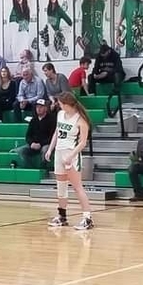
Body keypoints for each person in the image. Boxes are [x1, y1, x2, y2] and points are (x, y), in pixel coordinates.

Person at [45, 92, 95, 230]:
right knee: (61, 188)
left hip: (71, 155)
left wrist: (71, 155)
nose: (58, 106)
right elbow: (57, 132)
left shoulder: (81, 120)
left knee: (77, 187)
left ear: (67, 104)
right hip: (59, 153)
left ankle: (87, 218)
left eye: (60, 104)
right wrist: (50, 149)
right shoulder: (60, 115)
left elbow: (83, 143)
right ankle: (62, 216)